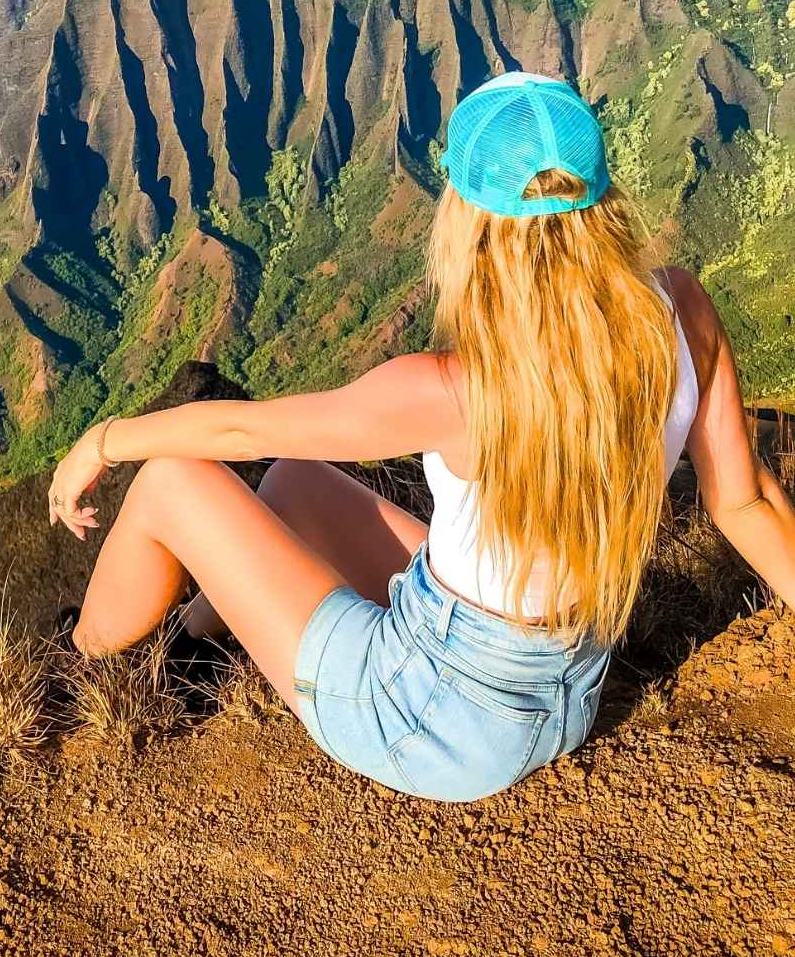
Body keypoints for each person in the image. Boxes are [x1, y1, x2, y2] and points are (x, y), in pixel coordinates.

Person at [46, 71, 795, 802]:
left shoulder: (456, 387)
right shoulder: (681, 310)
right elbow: (748, 502)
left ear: (467, 216)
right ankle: (195, 644)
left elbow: (240, 429)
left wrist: (104, 441)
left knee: (171, 480)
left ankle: (70, 665)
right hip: (568, 696)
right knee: (294, 484)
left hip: (425, 720)